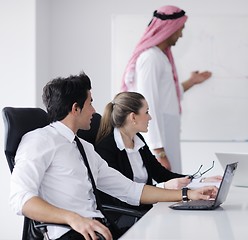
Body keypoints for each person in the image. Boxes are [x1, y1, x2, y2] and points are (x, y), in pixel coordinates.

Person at [9, 72, 218, 240]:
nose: (94, 110)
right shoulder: (39, 141)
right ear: (75, 108)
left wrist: (187, 195)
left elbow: (130, 190)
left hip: (97, 228)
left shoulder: (83, 148)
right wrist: (74, 219)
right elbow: (21, 199)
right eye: (90, 103)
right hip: (68, 232)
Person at [95, 92, 222, 212]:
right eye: (146, 112)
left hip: (148, 208)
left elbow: (162, 174)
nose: (150, 117)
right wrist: (165, 187)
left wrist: (200, 181)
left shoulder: (137, 139)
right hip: (129, 215)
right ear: (133, 117)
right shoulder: (107, 147)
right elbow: (124, 193)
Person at [120, 5, 212, 172]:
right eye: (180, 29)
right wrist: (158, 152)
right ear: (170, 28)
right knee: (166, 189)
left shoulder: (159, 57)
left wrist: (191, 82)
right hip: (158, 142)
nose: (181, 34)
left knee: (175, 185)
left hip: (166, 135)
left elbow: (167, 96)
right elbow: (147, 105)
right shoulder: (150, 58)